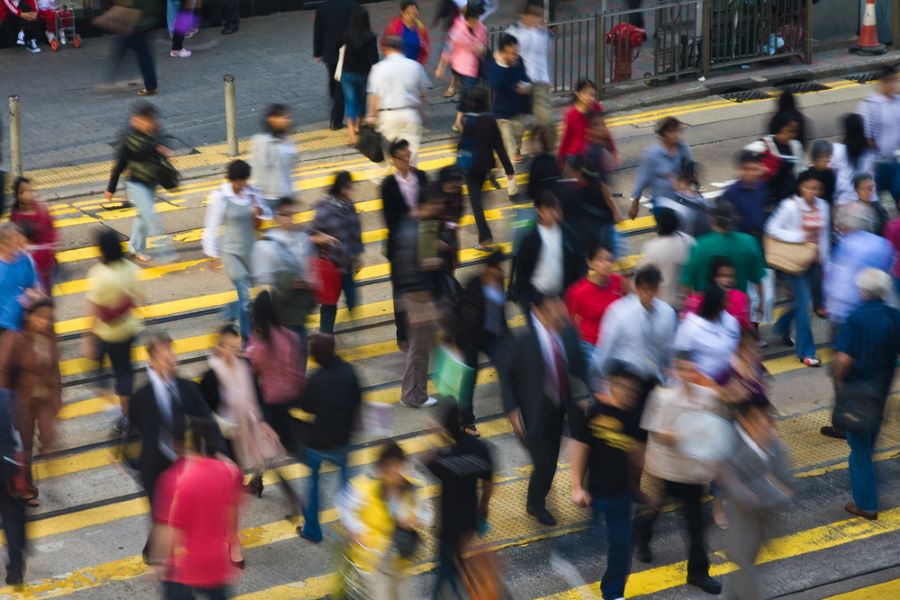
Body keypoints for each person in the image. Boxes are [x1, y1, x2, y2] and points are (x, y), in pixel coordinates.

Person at [634, 353, 726, 595]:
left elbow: (715, 428)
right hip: (665, 470)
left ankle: (698, 572)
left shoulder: (707, 397)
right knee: (653, 511)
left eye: (690, 370)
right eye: (681, 370)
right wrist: (688, 435)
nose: (686, 375)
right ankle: (642, 536)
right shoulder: (662, 397)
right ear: (674, 371)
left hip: (692, 473)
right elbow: (657, 433)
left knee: (696, 525)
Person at [129, 334, 225, 540]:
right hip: (154, 469)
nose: (171, 359)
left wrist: (219, 453)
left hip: (186, 465)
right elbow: (131, 433)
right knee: (160, 517)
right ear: (152, 361)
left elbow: (207, 421)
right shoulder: (141, 397)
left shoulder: (187, 387)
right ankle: (158, 552)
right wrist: (137, 464)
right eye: (165, 356)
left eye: (172, 353)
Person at [502, 293, 586, 526]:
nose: (558, 313)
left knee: (549, 464)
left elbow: (579, 366)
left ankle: (537, 496)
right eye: (551, 309)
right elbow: (507, 376)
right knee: (545, 462)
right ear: (537, 311)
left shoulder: (568, 333)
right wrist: (512, 409)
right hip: (532, 414)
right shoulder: (524, 340)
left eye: (558, 307)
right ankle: (536, 504)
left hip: (560, 410)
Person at [569, 362, 645, 600]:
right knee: (590, 540)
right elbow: (581, 448)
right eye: (622, 387)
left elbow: (638, 457)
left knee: (621, 548)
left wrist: (637, 489)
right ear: (611, 385)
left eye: (632, 389)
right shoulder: (596, 411)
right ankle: (564, 559)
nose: (627, 393)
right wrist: (577, 486)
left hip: (621, 494)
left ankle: (612, 593)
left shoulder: (637, 417)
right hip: (594, 493)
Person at [833, 268, 900, 521]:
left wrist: (838, 380)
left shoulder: (855, 318)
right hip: (881, 390)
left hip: (857, 391)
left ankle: (866, 504)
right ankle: (870, 490)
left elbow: (844, 358)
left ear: (862, 291)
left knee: (858, 448)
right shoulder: (894, 316)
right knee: (869, 443)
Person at [149, 442, 243, 599]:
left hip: (183, 565)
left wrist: (158, 562)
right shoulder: (226, 471)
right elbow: (232, 511)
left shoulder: (175, 479)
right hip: (217, 560)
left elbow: (167, 528)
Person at [199, 325, 283, 501]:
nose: (236, 352)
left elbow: (256, 394)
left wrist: (262, 422)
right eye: (231, 347)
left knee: (238, 467)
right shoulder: (211, 376)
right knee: (226, 471)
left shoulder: (244, 365)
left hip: (242, 426)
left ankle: (239, 489)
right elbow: (204, 409)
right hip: (222, 433)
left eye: (237, 347)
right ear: (219, 347)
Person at [338, 442, 430, 600]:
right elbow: (343, 505)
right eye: (388, 468)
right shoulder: (365, 486)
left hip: (400, 562)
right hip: (374, 563)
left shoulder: (412, 486)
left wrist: (416, 519)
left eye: (397, 467)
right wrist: (356, 530)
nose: (393, 473)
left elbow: (427, 513)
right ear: (381, 469)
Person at [720, 403, 794, 600]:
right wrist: (772, 486)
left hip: (765, 526)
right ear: (746, 424)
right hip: (742, 531)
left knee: (739, 578)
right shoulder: (733, 452)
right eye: (761, 422)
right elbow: (744, 496)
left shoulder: (777, 448)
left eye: (769, 421)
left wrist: (763, 486)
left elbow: (790, 487)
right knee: (746, 576)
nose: (768, 427)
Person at [426, 398, 495, 597]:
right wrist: (484, 505)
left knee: (445, 571)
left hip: (448, 522)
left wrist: (433, 436)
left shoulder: (443, 456)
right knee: (457, 562)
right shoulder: (480, 449)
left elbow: (424, 462)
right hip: (469, 519)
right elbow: (488, 481)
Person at [298, 333, 362, 543]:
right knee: (346, 484)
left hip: (318, 441)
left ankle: (312, 529)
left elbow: (306, 406)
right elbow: (358, 399)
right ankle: (353, 526)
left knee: (314, 484)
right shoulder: (349, 371)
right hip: (342, 439)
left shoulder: (315, 380)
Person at [591, 265, 678, 418]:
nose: (649, 294)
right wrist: (601, 385)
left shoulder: (667, 314)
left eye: (653, 289)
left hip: (652, 379)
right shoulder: (618, 312)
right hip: (624, 381)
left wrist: (670, 380)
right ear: (637, 288)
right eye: (645, 289)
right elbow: (605, 350)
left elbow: (669, 351)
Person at [202, 160, 272, 343]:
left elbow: (266, 214)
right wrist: (212, 254)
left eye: (245, 180)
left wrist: (259, 211)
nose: (243, 184)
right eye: (240, 181)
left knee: (247, 295)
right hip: (231, 251)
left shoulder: (252, 192)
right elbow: (211, 225)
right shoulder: (220, 196)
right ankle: (247, 339)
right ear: (233, 179)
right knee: (245, 295)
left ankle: (230, 311)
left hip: (250, 250)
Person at [766, 171, 831, 366]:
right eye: (809, 187)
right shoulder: (790, 206)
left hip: (815, 261)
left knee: (799, 303)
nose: (813, 192)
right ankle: (806, 352)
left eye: (817, 188)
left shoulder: (823, 206)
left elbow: (825, 236)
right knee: (805, 305)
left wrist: (826, 263)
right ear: (800, 187)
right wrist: (799, 236)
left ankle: (782, 327)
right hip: (794, 262)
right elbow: (771, 228)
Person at [0, 300, 60, 507]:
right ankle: (25, 489)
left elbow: (55, 371)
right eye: (41, 317)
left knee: (45, 440)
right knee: (23, 447)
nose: (45, 322)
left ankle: (32, 485)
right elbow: (3, 371)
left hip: (42, 401)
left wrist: (57, 399)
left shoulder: (50, 339)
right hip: (20, 402)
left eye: (49, 318)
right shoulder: (15, 339)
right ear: (28, 316)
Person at [105, 102, 176, 263]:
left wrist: (165, 151)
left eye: (151, 120)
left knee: (142, 217)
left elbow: (166, 148)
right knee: (149, 216)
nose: (150, 123)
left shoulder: (156, 134)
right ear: (138, 120)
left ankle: (135, 247)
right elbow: (121, 163)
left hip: (151, 182)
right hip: (135, 184)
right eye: (146, 120)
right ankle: (165, 251)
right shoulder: (130, 138)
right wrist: (111, 188)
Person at [86, 229, 142, 433]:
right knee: (124, 374)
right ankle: (127, 417)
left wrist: (87, 336)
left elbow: (95, 310)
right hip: (128, 330)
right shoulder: (131, 268)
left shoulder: (98, 274)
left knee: (98, 371)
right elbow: (137, 298)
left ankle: (111, 405)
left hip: (106, 334)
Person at [393, 193, 445, 408]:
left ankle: (413, 393)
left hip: (412, 296)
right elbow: (413, 269)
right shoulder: (416, 231)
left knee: (420, 348)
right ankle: (414, 396)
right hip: (416, 297)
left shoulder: (408, 225)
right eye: (434, 204)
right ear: (425, 205)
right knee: (419, 350)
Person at [245, 291, 306, 468]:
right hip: (291, 392)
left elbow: (252, 369)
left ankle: (265, 467)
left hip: (270, 398)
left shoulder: (259, 345)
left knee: (268, 434)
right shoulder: (290, 336)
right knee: (285, 429)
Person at [455, 250, 510, 435]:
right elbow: (463, 317)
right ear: (489, 268)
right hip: (470, 338)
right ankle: (466, 421)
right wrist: (457, 342)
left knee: (506, 369)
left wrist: (508, 337)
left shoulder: (499, 282)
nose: (501, 271)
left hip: (490, 336)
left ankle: (515, 412)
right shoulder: (475, 284)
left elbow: (500, 315)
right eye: (498, 267)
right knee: (470, 378)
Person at [251, 197, 318, 345]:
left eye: (292, 214)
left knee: (300, 349)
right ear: (276, 217)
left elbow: (311, 268)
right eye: (285, 214)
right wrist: (287, 281)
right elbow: (260, 277)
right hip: (279, 308)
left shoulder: (303, 238)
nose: (290, 218)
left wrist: (308, 281)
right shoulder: (267, 243)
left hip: (300, 307)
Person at [457, 86, 516, 251]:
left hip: (470, 167)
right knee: (478, 201)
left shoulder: (468, 121)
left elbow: (462, 145)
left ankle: (485, 238)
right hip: (485, 167)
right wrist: (508, 169)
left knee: (476, 203)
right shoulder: (491, 120)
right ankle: (484, 237)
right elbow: (499, 146)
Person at [381, 140, 428, 343]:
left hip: (424, 243)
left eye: (409, 156)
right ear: (394, 160)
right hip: (399, 247)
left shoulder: (422, 177)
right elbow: (390, 219)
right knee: (400, 291)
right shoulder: (388, 185)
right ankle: (402, 333)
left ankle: (424, 325)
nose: (407, 160)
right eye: (403, 157)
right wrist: (413, 215)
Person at [680, 199, 766, 308]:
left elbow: (687, 282)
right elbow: (758, 280)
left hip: (707, 311)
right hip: (738, 309)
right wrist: (761, 305)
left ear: (711, 218)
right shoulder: (749, 242)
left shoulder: (700, 245)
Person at [825, 201, 894, 330]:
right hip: (875, 311)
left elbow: (837, 283)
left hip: (845, 313)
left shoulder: (844, 246)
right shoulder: (883, 245)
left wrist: (830, 306)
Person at [510, 192, 585, 309]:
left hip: (563, 297)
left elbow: (580, 260)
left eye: (555, 209)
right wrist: (528, 301)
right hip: (538, 299)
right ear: (539, 211)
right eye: (549, 210)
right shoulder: (529, 239)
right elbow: (522, 273)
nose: (554, 213)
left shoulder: (567, 232)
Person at [311, 171, 363, 334]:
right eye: (348, 187)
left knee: (353, 301)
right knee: (329, 305)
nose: (350, 191)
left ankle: (336, 332)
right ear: (339, 188)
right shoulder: (324, 209)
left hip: (347, 262)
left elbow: (356, 232)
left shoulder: (350, 206)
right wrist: (324, 238)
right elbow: (311, 234)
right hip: (331, 265)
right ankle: (325, 339)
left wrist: (357, 255)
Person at [365, 36, 430, 165]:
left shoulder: (378, 68)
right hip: (410, 114)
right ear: (402, 49)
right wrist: (423, 112)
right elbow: (422, 94)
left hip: (388, 116)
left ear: (385, 49)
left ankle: (391, 181)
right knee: (411, 154)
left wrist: (372, 115)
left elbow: (374, 96)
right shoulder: (415, 66)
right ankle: (411, 179)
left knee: (389, 155)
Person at [564, 243, 629, 361]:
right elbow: (569, 321)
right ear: (590, 263)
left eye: (609, 260)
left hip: (616, 343)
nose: (606, 264)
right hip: (591, 346)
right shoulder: (578, 292)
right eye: (600, 260)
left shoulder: (619, 282)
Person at [435, 3, 487, 133]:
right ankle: (462, 122)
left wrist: (481, 48)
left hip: (476, 65)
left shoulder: (481, 28)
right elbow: (447, 49)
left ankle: (460, 121)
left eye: (477, 19)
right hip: (461, 66)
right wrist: (441, 67)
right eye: (473, 19)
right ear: (467, 18)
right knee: (468, 94)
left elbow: (484, 44)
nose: (476, 22)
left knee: (468, 95)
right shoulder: (457, 29)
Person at [628, 117, 692, 219]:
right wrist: (635, 205)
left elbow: (690, 169)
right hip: (661, 204)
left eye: (678, 131)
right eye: (673, 132)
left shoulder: (683, 148)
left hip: (681, 201)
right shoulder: (652, 154)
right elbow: (642, 181)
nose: (677, 135)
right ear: (664, 134)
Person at [674, 285, 741, 381]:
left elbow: (735, 349)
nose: (728, 304)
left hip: (726, 381)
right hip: (700, 383)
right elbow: (680, 358)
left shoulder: (730, 321)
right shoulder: (691, 326)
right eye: (724, 301)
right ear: (715, 304)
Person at [485, 34, 532, 165]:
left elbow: (525, 77)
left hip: (518, 109)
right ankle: (511, 181)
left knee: (518, 136)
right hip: (502, 113)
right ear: (503, 53)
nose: (515, 56)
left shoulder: (519, 61)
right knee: (508, 146)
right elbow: (496, 84)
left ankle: (516, 152)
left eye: (516, 51)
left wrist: (527, 86)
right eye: (512, 53)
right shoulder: (494, 66)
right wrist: (504, 66)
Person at [856, 64, 900, 204]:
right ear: (883, 82)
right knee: (874, 199)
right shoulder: (870, 104)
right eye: (891, 81)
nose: (894, 84)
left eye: (895, 80)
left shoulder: (898, 102)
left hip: (896, 161)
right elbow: (867, 135)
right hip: (876, 162)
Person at [638, 206, 695, 310]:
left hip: (664, 302)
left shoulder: (652, 247)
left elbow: (642, 275)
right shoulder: (689, 241)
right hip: (686, 300)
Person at [313, 0, 359, 130]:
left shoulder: (322, 7)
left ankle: (334, 100)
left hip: (330, 52)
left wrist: (318, 52)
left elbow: (318, 31)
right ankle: (336, 119)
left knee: (334, 78)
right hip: (347, 51)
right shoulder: (353, 6)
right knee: (342, 84)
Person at [749, 112, 804, 216]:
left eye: (795, 132)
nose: (792, 135)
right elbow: (746, 157)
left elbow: (800, 171)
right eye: (789, 131)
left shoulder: (796, 146)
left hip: (790, 201)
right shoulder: (764, 144)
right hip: (770, 202)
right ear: (780, 128)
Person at [507, 0, 552, 126]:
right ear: (524, 15)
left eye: (539, 15)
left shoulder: (543, 35)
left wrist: (546, 80)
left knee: (545, 121)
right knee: (516, 128)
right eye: (533, 15)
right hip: (518, 85)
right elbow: (509, 62)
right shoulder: (513, 33)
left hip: (538, 83)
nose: (536, 19)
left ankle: (540, 140)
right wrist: (518, 83)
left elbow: (543, 59)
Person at [339, 6, 379, 145]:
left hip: (347, 74)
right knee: (361, 101)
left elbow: (337, 47)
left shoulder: (346, 35)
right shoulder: (370, 37)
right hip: (363, 75)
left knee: (350, 103)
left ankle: (351, 136)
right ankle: (357, 126)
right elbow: (375, 60)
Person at [9, 177, 56, 293]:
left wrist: (50, 247)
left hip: (46, 265)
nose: (32, 194)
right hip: (27, 269)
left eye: (32, 190)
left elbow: (52, 231)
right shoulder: (16, 217)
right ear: (19, 195)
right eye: (27, 191)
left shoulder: (42, 209)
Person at [683, 256, 753, 331]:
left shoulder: (742, 297)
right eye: (722, 276)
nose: (728, 280)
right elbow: (687, 325)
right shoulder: (697, 300)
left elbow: (746, 325)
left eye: (731, 276)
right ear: (714, 277)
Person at [0, 388, 26, 585]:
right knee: (11, 517)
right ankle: (16, 567)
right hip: (7, 465)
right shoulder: (9, 396)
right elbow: (20, 432)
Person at [250, 104, 299, 211]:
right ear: (272, 119)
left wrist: (293, 192)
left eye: (289, 118)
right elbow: (261, 168)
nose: (289, 121)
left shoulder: (289, 142)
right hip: (266, 199)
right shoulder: (261, 141)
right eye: (285, 118)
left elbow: (291, 171)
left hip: (285, 198)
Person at [558, 79, 615, 169]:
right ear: (578, 94)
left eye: (593, 95)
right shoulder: (571, 114)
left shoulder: (596, 107)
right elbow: (566, 138)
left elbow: (604, 130)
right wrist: (560, 161)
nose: (591, 98)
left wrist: (613, 151)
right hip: (577, 158)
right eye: (587, 94)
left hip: (595, 155)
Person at [106, 0, 159, 95]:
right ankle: (144, 82)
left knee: (142, 54)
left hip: (138, 23)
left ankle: (151, 86)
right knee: (138, 51)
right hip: (144, 21)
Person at [0, 223, 39, 335]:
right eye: (12, 239)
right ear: (2, 245)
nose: (17, 241)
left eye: (17, 236)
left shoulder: (24, 260)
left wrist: (33, 297)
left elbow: (34, 287)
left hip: (22, 325)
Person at [830, 114, 878, 205]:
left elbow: (833, 172)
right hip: (868, 198)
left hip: (845, 200)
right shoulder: (870, 151)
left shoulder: (837, 150)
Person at [723, 150, 768, 240]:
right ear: (739, 170)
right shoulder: (731, 193)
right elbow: (728, 226)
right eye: (746, 169)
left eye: (755, 169)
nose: (750, 173)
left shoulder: (761, 186)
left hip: (760, 237)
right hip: (742, 241)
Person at [381, 0, 430, 65]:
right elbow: (385, 45)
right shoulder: (394, 27)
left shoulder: (421, 27)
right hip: (397, 65)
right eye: (408, 13)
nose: (412, 16)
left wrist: (420, 63)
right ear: (402, 13)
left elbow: (425, 47)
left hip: (415, 65)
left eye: (414, 13)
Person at [527, 124, 560, 201]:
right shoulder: (554, 159)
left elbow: (531, 192)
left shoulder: (536, 163)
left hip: (544, 203)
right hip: (558, 199)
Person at [806, 140, 836, 206]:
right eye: (823, 157)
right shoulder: (807, 174)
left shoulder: (830, 173)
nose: (827, 160)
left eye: (828, 156)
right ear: (815, 158)